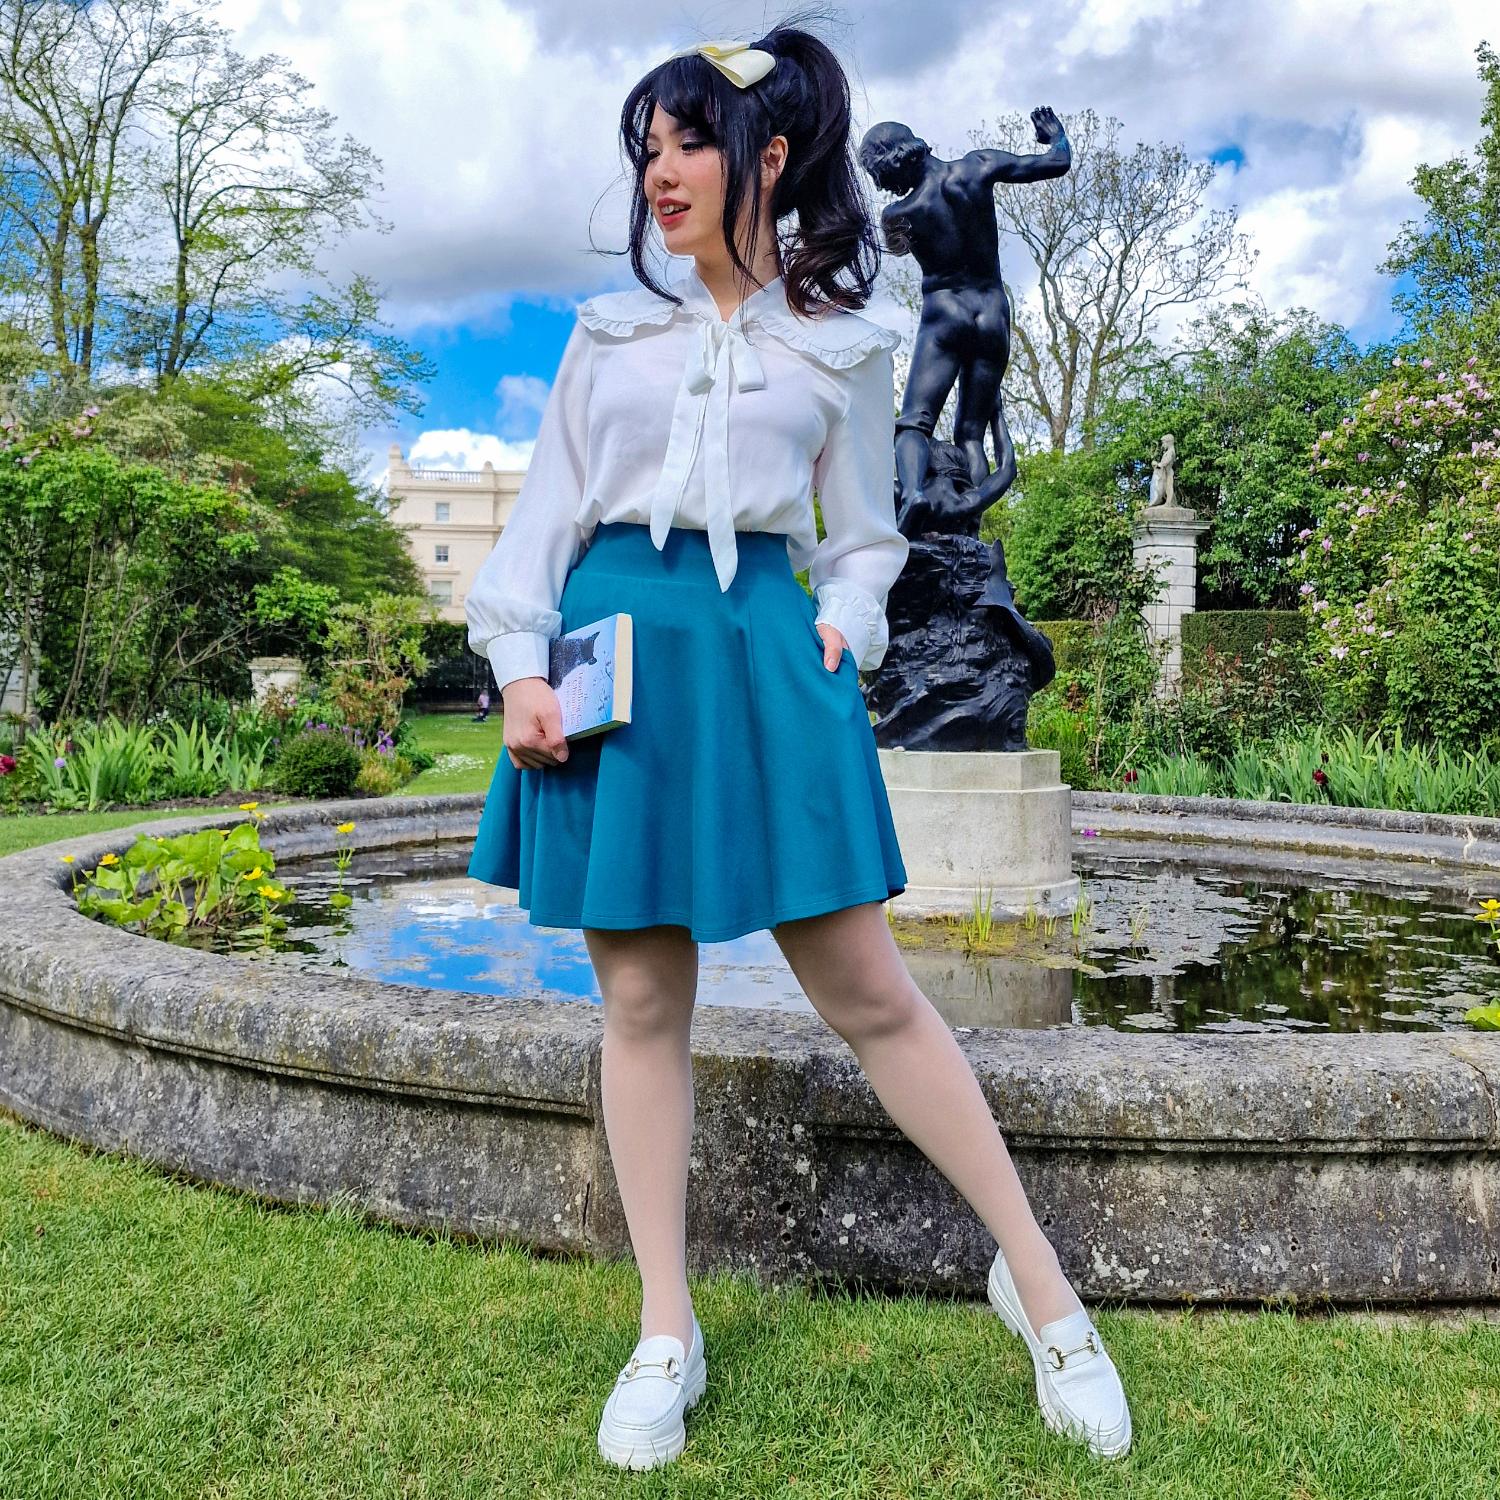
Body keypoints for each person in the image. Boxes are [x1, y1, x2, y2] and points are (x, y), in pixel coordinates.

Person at [463, 20, 1133, 1470]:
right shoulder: (604, 335)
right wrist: (522, 662)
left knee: (875, 994)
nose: (661, 173)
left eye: (688, 141)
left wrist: (850, 622)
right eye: (645, 148)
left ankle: (1042, 1290)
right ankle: (665, 1330)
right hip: (618, 658)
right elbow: (542, 524)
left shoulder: (847, 341)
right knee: (642, 1006)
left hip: (770, 657)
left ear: (768, 156)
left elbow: (869, 537)